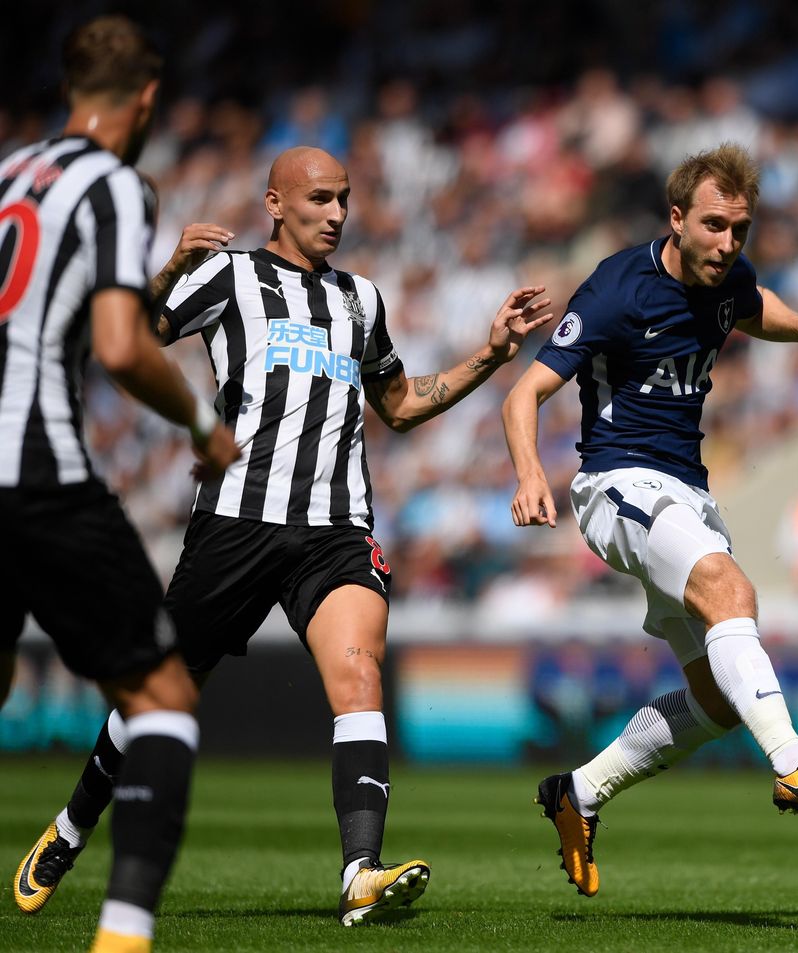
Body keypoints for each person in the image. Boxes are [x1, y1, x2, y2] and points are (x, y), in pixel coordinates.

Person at [14, 145, 553, 925]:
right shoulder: (228, 275)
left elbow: (399, 404)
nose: (337, 214)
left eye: (344, 200)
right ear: (275, 202)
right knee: (156, 693)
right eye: (320, 199)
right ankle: (70, 829)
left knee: (359, 673)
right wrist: (167, 270)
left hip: (337, 529)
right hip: (236, 522)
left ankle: (360, 873)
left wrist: (492, 354)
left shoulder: (361, 299)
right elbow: (128, 337)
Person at [504, 143, 798, 898]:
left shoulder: (728, 276)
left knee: (716, 700)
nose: (729, 244)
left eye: (740, 229)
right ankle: (794, 765)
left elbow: (752, 305)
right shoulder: (617, 288)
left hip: (687, 494)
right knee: (731, 594)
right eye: (714, 226)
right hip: (618, 485)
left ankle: (580, 790)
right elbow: (524, 393)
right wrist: (531, 473)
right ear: (676, 219)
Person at [1, 16, 241, 953]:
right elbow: (117, 345)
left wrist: (168, 272)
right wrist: (200, 423)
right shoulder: (114, 184)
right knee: (163, 697)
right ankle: (124, 938)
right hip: (41, 473)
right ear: (145, 100)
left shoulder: (13, 176)